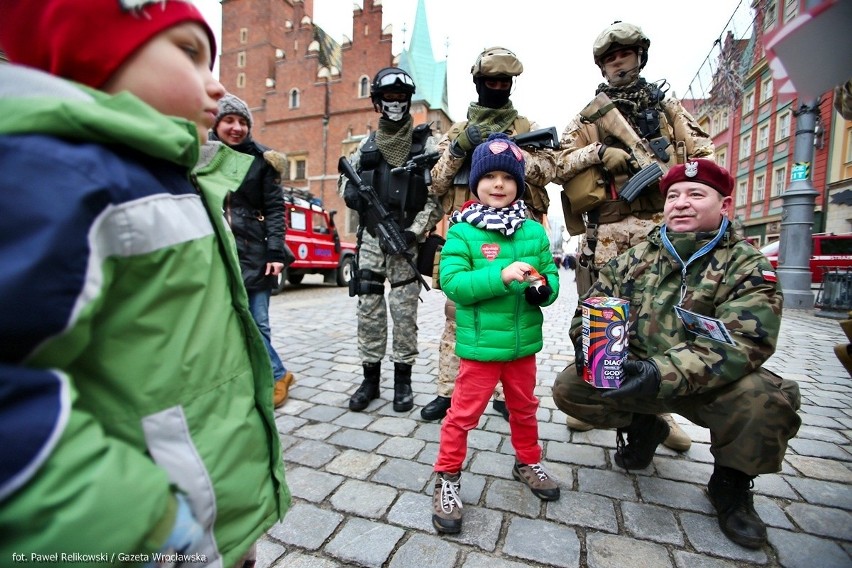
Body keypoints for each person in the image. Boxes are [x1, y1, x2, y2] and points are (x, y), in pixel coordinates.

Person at [0, 1, 289, 564]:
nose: (218, 86)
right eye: (189, 55)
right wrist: (141, 522)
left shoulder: (171, 175)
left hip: (215, 511)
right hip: (155, 532)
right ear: (97, 54)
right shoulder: (67, 179)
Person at [551, 159, 801, 549]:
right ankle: (644, 428)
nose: (681, 203)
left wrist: (658, 372)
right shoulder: (632, 260)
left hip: (711, 385)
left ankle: (730, 484)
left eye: (696, 194)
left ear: (725, 205)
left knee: (765, 400)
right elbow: (590, 311)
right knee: (571, 385)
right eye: (673, 196)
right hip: (638, 375)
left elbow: (743, 342)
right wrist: (595, 350)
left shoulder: (747, 266)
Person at [554, 21, 716, 450]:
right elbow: (557, 163)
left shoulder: (667, 109)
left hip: (661, 231)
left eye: (625, 53)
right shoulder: (589, 116)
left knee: (658, 323)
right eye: (610, 56)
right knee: (601, 320)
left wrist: (668, 172)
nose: (618, 61)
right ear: (602, 65)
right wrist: (599, 153)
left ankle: (657, 412)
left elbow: (706, 153)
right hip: (606, 231)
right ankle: (599, 400)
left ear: (640, 56)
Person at [431, 133, 560, 534]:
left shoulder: (534, 231)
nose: (499, 184)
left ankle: (527, 461)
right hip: (480, 348)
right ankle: (447, 478)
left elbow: (550, 275)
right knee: (463, 415)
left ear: (519, 184)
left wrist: (544, 289)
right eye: (490, 177)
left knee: (524, 408)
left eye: (508, 177)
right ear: (476, 183)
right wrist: (502, 275)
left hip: (522, 347)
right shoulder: (463, 231)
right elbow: (453, 283)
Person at [422, 46, 557, 422]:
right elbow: (436, 182)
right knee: (458, 309)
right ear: (478, 83)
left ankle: (503, 393)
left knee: (512, 304)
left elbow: (548, 170)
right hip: (468, 228)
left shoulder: (526, 127)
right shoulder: (458, 130)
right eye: (490, 81)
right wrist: (463, 147)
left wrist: (509, 152)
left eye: (504, 82)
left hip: (515, 228)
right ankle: (449, 392)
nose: (497, 87)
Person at [339, 67, 442, 413]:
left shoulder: (425, 144)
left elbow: (436, 197)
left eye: (401, 97)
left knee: (404, 312)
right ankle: (370, 380)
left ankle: (403, 381)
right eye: (389, 97)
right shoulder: (365, 146)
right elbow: (344, 183)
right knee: (368, 307)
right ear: (378, 102)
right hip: (370, 238)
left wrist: (415, 230)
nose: (395, 103)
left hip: (406, 239)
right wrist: (353, 193)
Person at [211, 93, 295, 408]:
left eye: (242, 122)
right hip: (220, 251)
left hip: (256, 253)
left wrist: (275, 254)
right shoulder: (206, 156)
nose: (236, 128)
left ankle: (275, 375)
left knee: (257, 322)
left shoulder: (263, 160)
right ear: (217, 123)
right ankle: (254, 374)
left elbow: (275, 209)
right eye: (229, 120)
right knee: (227, 320)